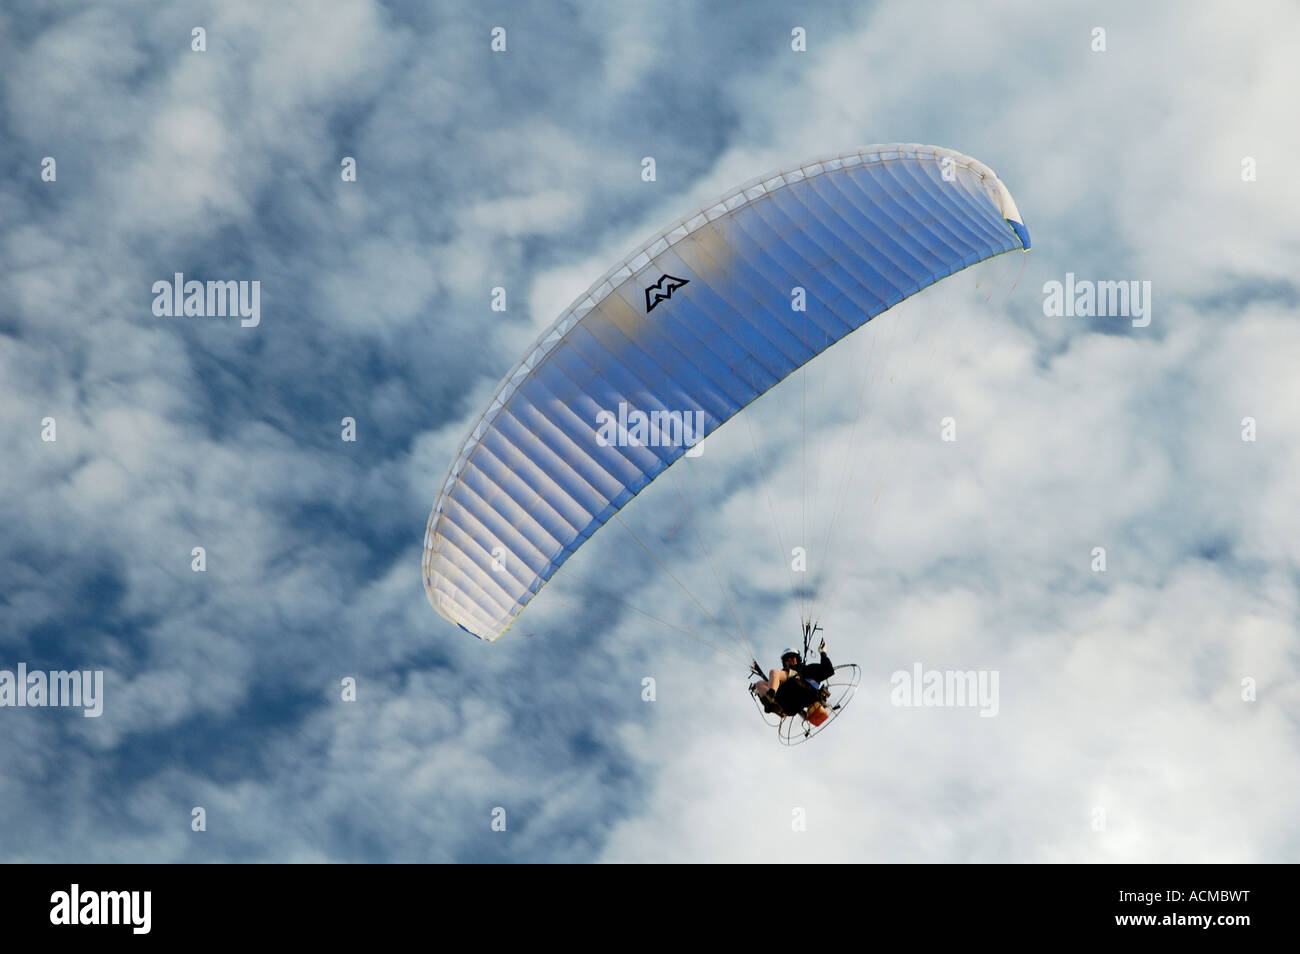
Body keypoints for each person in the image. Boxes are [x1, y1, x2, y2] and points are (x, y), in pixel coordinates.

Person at [753, 640, 834, 717]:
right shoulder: (780, 677)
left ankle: (770, 697)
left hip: (803, 688)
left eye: (792, 657)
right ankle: (774, 705)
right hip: (788, 705)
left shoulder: (806, 669)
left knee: (773, 672)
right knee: (759, 684)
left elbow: (828, 670)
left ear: (797, 659)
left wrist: (823, 653)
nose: (789, 660)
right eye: (786, 659)